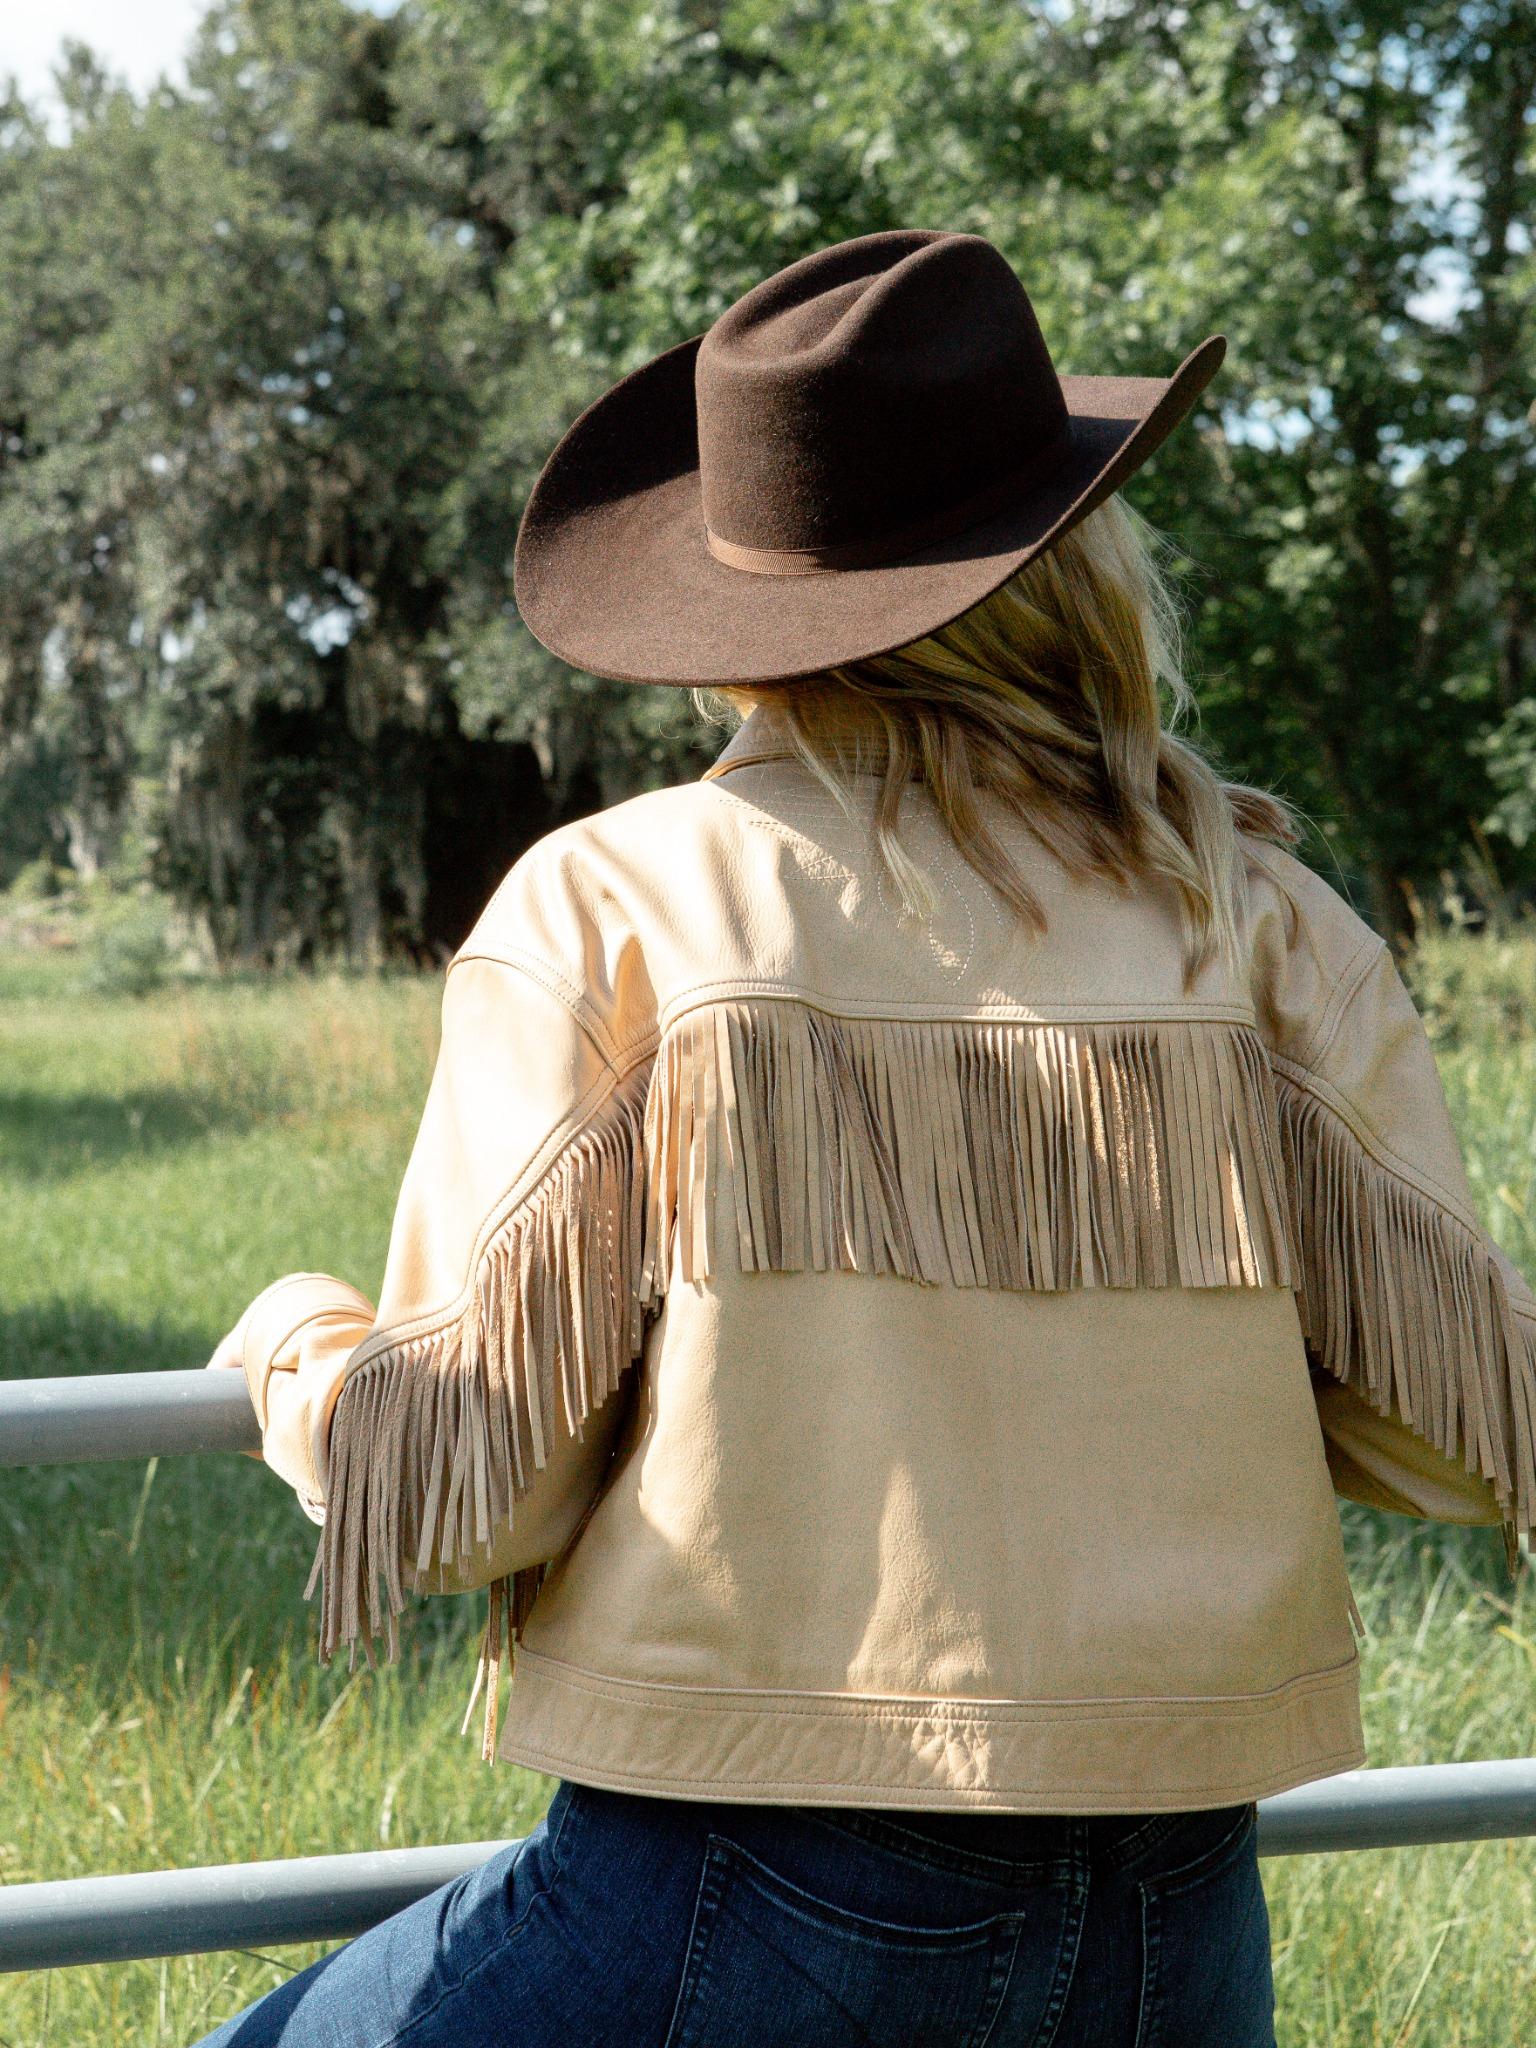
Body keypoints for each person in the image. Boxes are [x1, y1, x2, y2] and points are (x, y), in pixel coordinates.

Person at [198, 229, 1534, 2047]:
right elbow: (1458, 1430)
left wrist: (291, 1341)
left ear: (740, 609)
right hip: (1180, 1898)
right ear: (1079, 557)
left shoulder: (620, 904)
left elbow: (464, 1490)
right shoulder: (1258, 917)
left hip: (742, 1870)